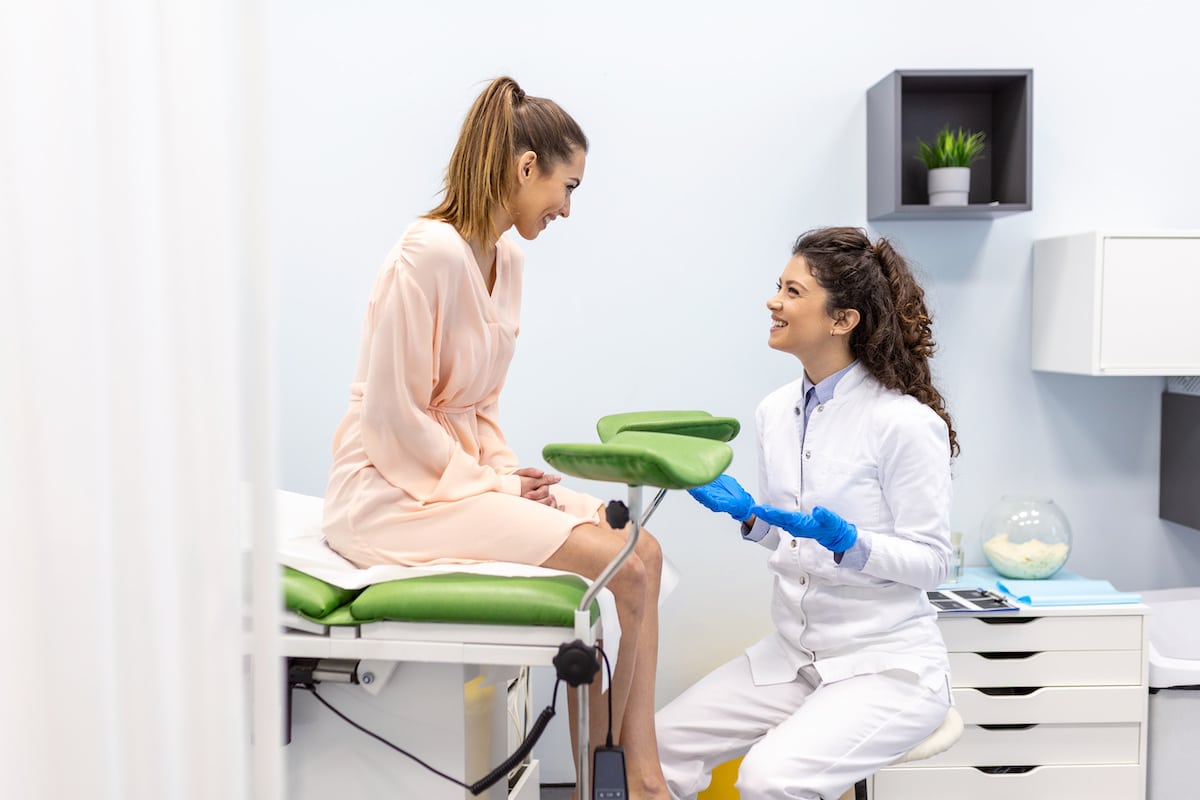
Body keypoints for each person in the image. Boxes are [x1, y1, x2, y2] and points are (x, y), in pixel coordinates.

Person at [321, 77, 668, 798]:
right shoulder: (428, 253)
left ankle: (632, 772)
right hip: (390, 490)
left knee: (644, 550)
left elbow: (479, 407)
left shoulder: (507, 262)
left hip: (457, 478)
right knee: (623, 569)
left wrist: (513, 476)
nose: (567, 208)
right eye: (565, 187)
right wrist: (497, 486)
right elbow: (394, 417)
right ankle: (635, 781)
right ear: (524, 168)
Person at [655, 227, 960, 800]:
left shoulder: (905, 423)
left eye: (793, 292)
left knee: (769, 779)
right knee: (658, 745)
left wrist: (853, 543)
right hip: (794, 654)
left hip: (885, 665)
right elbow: (795, 540)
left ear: (843, 320)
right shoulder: (776, 412)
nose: (774, 302)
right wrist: (752, 519)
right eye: (779, 287)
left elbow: (935, 564)